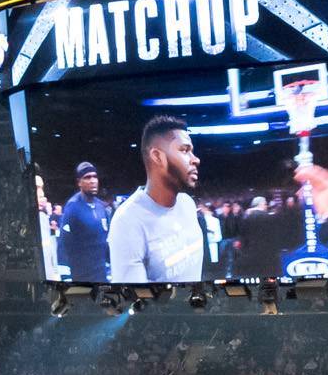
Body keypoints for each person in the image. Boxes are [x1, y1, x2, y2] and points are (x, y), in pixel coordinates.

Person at [108, 116, 213, 284]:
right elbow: (133, 300)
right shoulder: (127, 221)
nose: (195, 159)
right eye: (185, 150)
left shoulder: (187, 203)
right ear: (157, 156)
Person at [58, 162, 112, 283]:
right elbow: (63, 245)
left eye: (94, 176)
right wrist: (65, 277)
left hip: (102, 275)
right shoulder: (72, 207)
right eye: (87, 177)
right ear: (79, 182)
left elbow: (106, 240)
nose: (93, 180)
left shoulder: (101, 207)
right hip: (82, 278)